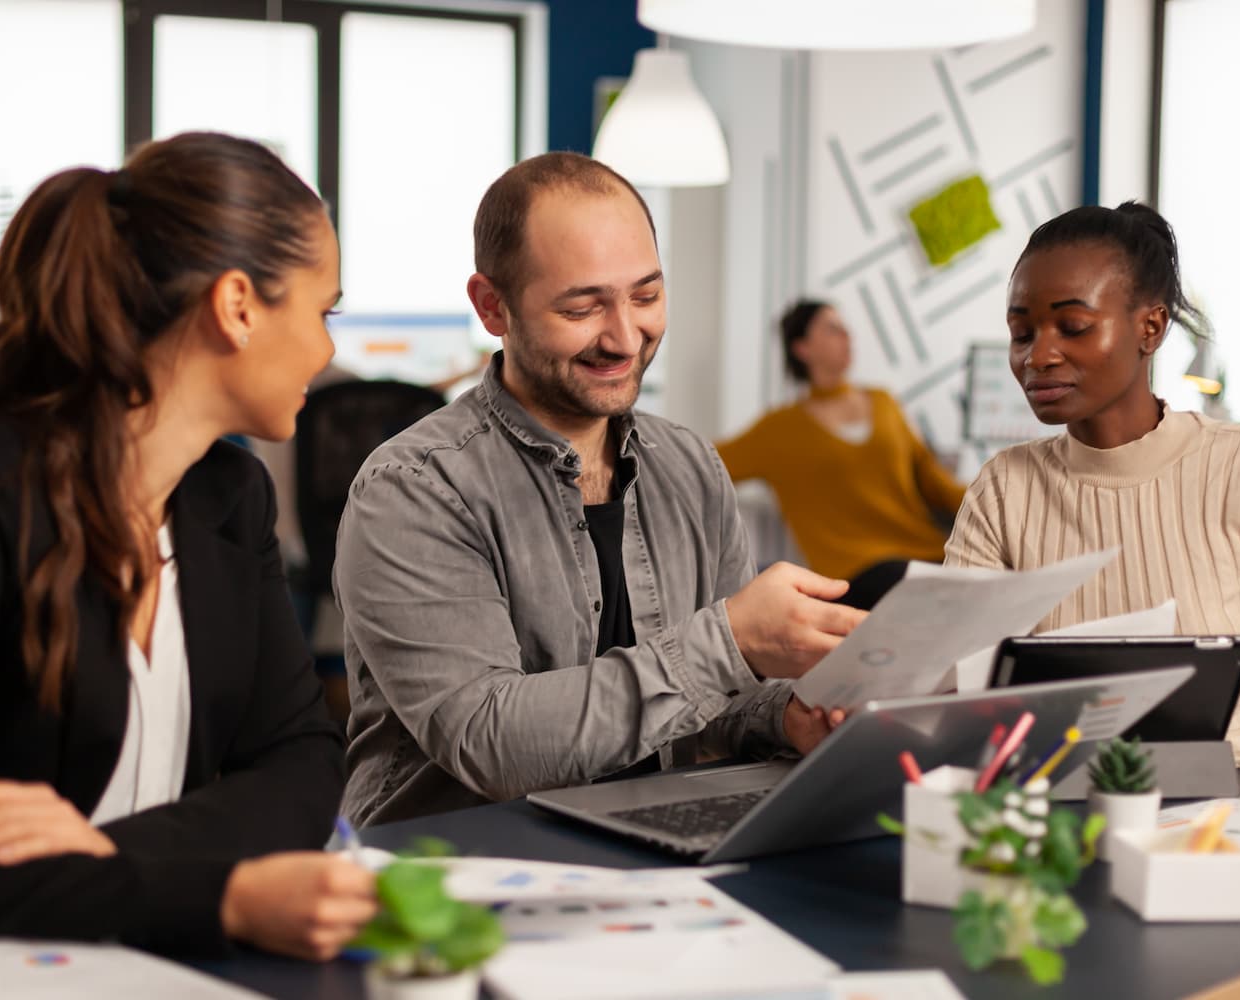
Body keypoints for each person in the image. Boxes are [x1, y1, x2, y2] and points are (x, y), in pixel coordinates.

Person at [0, 132, 377, 959]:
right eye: (323, 310)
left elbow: (306, 768)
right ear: (238, 306)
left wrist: (100, 855)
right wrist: (226, 895)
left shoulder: (230, 500)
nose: (327, 347)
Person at [336, 153, 866, 825]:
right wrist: (729, 641)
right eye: (582, 307)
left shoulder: (690, 466)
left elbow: (717, 699)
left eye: (645, 296)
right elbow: (490, 743)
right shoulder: (415, 489)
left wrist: (788, 715)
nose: (624, 336)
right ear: (491, 306)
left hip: (650, 852)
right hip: (456, 873)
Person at [946, 201, 1240, 767]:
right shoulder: (1001, 490)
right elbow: (962, 685)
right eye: (1022, 332)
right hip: (1064, 822)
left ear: (1151, 327)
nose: (1038, 355)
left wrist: (1178, 753)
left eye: (1073, 326)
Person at [716, 300, 967, 608]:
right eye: (832, 328)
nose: (847, 335)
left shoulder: (884, 403)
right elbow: (704, 463)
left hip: (924, 557)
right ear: (802, 349)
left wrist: (991, 502)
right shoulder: (779, 429)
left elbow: (932, 480)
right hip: (852, 575)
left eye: (845, 328)